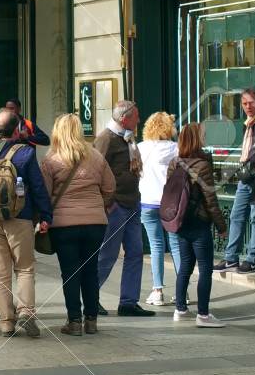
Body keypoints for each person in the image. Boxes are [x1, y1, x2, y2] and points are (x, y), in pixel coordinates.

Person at [0, 109, 52, 337]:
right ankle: (26, 312)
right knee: (24, 268)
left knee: (0, 273)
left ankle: (6, 322)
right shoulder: (24, 154)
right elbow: (38, 187)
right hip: (20, 219)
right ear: (17, 130)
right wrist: (45, 216)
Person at [41, 113, 114, 336]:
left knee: (70, 273)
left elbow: (44, 194)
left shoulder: (51, 160)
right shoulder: (96, 157)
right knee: (90, 271)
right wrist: (98, 207)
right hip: (95, 223)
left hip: (64, 225)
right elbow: (110, 188)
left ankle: (74, 322)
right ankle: (91, 320)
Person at [94, 100, 153, 317]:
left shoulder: (127, 136)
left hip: (132, 202)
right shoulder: (106, 138)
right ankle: (91, 297)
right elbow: (96, 171)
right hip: (116, 205)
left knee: (135, 252)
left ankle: (128, 302)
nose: (138, 120)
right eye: (136, 117)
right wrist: (108, 203)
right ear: (124, 118)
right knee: (107, 255)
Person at [169, 122, 228, 327]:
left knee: (185, 266)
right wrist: (221, 226)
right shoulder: (202, 166)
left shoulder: (175, 162)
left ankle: (180, 309)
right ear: (197, 139)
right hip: (199, 222)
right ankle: (203, 315)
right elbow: (210, 200)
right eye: (202, 135)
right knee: (205, 268)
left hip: (180, 221)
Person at [216, 89, 255, 274]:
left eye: (251, 102)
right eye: (244, 103)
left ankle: (252, 259)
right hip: (245, 176)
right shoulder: (248, 124)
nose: (248, 106)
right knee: (236, 216)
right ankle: (231, 257)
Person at [136, 111, 182, 306]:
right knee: (176, 246)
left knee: (156, 246)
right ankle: (182, 291)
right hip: (170, 202)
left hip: (147, 201)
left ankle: (157, 290)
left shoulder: (140, 148)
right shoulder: (175, 148)